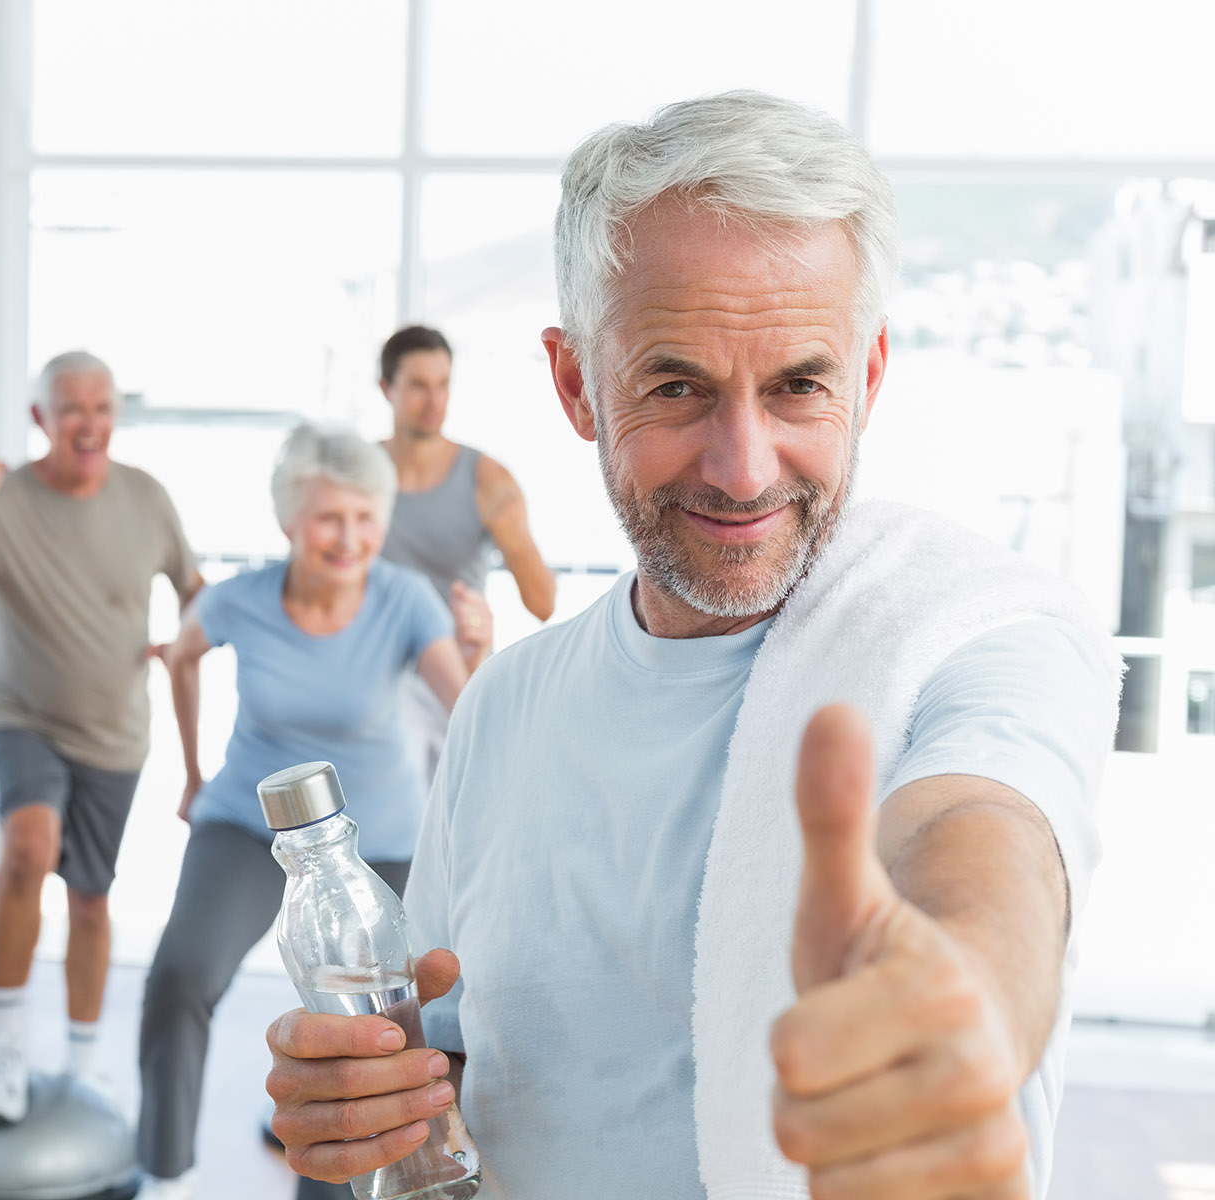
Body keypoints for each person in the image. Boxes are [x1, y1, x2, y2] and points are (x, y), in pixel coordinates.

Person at [264, 92, 1121, 1199]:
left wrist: (961, 991)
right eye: (678, 387)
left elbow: (985, 825)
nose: (743, 466)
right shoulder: (505, 708)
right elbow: (461, 1055)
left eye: (799, 385)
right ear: (577, 383)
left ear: (866, 376)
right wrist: (363, 1100)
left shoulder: (983, 638)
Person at [135, 425, 472, 1200]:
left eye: (366, 517)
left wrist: (482, 658)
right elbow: (181, 656)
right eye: (328, 518)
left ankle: (338, 1191)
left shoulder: (403, 599)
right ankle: (166, 1176)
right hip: (251, 828)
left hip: (378, 839)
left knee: (353, 1036)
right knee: (179, 976)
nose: (349, 538)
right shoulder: (240, 599)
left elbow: (467, 705)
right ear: (289, 520)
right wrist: (190, 773)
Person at [0, 350, 202, 1122]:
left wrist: (183, 643)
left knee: (93, 902)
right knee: (28, 850)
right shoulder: (2, 501)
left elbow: (198, 597)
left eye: (102, 407)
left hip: (115, 732)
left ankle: (82, 1061)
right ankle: (0, 1045)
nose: (89, 423)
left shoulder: (147, 498)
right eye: (72, 409)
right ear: (41, 419)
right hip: (21, 716)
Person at [376, 325, 556, 779]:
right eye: (418, 386)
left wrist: (510, 531)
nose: (434, 401)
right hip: (379, 673)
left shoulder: (488, 479)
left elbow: (542, 603)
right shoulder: (357, 477)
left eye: (443, 384)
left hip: (461, 663)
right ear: (386, 389)